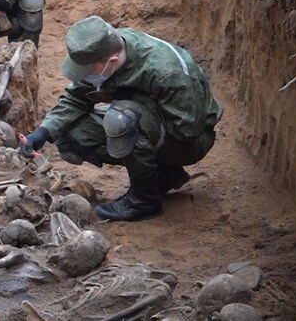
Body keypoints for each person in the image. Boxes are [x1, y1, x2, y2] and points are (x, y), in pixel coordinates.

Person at [19, 16, 222, 221]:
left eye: (87, 71)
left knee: (122, 120)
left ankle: (144, 201)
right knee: (70, 132)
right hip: (161, 128)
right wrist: (43, 132)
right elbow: (75, 99)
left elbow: (189, 130)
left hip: (189, 142)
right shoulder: (104, 50)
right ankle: (164, 175)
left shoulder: (165, 72)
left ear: (112, 62)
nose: (85, 76)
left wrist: (133, 103)